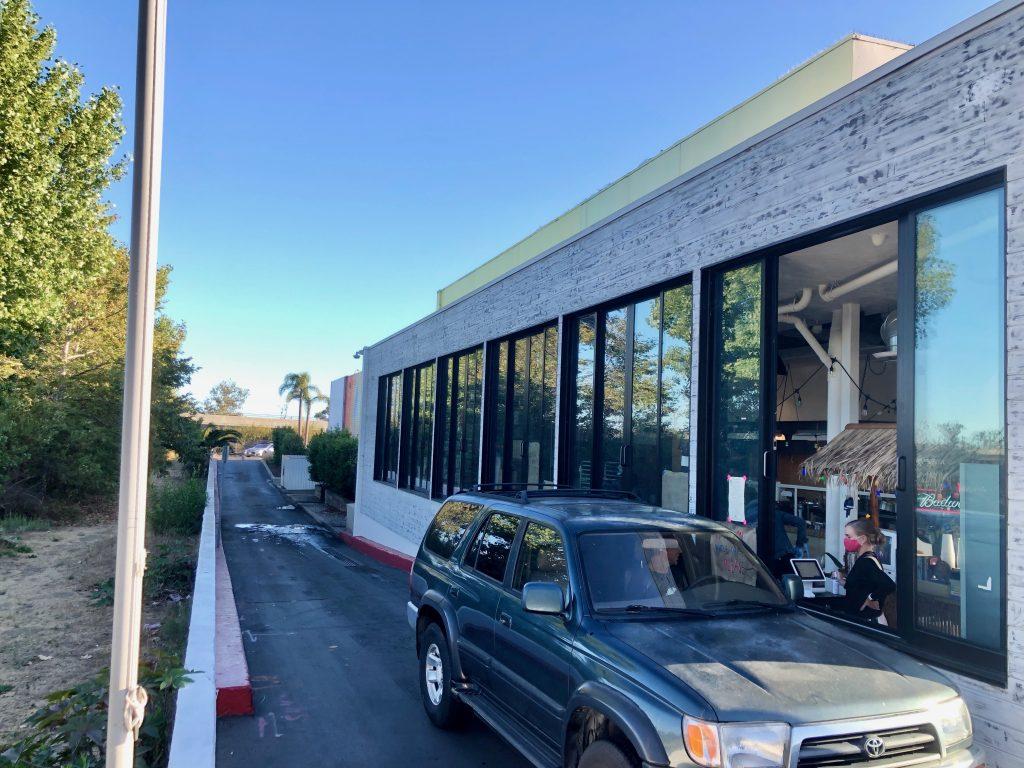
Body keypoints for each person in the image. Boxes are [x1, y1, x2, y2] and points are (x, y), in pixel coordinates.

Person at [840, 517, 896, 624]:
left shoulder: (866, 562)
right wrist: (843, 582)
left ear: (862, 539)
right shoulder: (869, 558)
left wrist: (871, 598)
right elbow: (864, 586)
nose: (845, 540)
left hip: (866, 622)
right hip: (863, 619)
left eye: (848, 536)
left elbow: (889, 585)